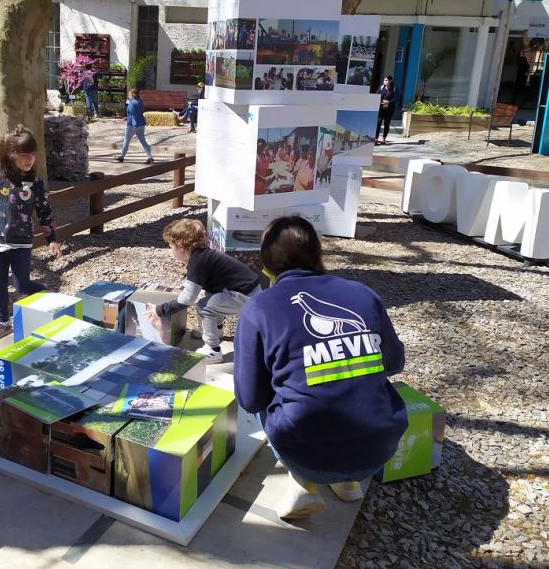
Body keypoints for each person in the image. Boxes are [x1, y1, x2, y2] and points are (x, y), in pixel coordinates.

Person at [233, 216, 408, 520]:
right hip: (378, 450)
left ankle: (302, 483)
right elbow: (393, 362)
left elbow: (249, 399)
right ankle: (349, 481)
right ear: (318, 253)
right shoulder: (362, 293)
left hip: (307, 455)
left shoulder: (259, 307)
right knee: (357, 382)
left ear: (267, 262)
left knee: (276, 395)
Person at [0, 125, 64, 341]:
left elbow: (44, 211)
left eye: (32, 154)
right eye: (24, 155)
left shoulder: (35, 183)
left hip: (21, 243)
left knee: (22, 285)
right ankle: (3, 322)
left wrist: (52, 239)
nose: (29, 160)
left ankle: (54, 301)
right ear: (10, 155)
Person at [146, 219, 261, 364]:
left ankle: (213, 351)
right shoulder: (203, 255)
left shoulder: (197, 262)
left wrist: (161, 310)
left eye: (170, 245)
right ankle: (215, 332)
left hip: (247, 297)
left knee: (204, 307)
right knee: (211, 298)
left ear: (180, 246)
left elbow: (188, 298)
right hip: (249, 292)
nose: (170, 250)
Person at [116, 88, 153, 164]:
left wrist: (134, 124)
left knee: (126, 141)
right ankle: (150, 157)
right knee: (143, 141)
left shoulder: (132, 103)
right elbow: (138, 112)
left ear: (132, 95)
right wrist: (127, 117)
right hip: (141, 124)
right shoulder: (140, 101)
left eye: (129, 94)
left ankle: (122, 157)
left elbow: (133, 115)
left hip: (132, 125)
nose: (128, 95)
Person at [376, 75, 398, 144]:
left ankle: (384, 138)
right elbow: (376, 95)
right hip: (381, 108)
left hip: (390, 109)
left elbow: (396, 98)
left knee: (387, 123)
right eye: (384, 80)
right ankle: (376, 138)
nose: (385, 82)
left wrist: (388, 102)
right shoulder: (381, 87)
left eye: (386, 80)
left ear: (390, 81)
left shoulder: (394, 88)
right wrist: (381, 101)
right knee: (378, 122)